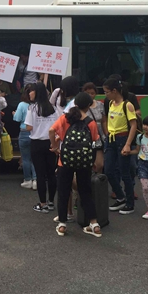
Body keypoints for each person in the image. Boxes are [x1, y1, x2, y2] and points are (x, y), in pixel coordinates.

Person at [50, 92, 104, 237]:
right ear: (88, 106)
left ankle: (62, 224)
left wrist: (55, 146)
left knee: (63, 192)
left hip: (65, 160)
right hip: (84, 162)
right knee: (85, 191)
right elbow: (94, 141)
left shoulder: (65, 118)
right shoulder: (91, 123)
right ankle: (94, 224)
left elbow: (51, 130)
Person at [103, 77, 137, 215]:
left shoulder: (127, 105)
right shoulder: (111, 103)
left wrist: (128, 144)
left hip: (122, 139)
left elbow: (133, 125)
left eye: (106, 92)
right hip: (111, 139)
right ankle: (120, 197)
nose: (105, 94)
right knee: (108, 170)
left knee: (125, 173)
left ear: (114, 91)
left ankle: (130, 203)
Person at [25, 82, 57, 213]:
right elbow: (56, 126)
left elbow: (28, 127)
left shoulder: (32, 108)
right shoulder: (53, 108)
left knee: (40, 174)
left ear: (37, 92)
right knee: (51, 173)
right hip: (51, 143)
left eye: (31, 91)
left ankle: (42, 203)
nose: (30, 93)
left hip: (37, 143)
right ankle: (51, 202)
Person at [13, 84, 36, 190]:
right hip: (35, 132)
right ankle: (36, 180)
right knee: (34, 158)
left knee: (26, 158)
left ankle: (28, 180)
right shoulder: (37, 104)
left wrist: (14, 114)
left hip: (24, 132)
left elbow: (17, 118)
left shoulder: (22, 105)